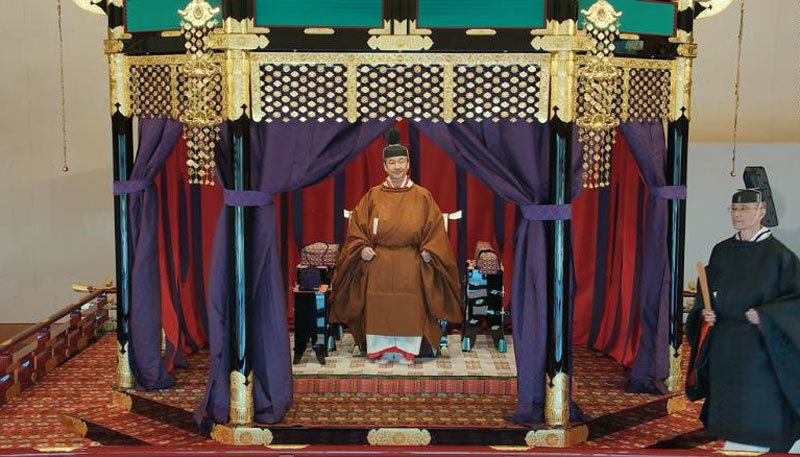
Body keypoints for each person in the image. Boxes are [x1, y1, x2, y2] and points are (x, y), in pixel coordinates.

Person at [330, 128, 462, 365]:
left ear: (408, 164)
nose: (397, 166)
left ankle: (409, 349)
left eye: (401, 161)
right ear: (384, 166)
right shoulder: (373, 196)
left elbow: (435, 231)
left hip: (411, 261)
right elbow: (357, 228)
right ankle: (378, 348)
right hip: (378, 261)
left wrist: (430, 251)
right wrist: (362, 248)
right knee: (376, 300)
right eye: (392, 162)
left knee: (411, 302)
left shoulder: (422, 196)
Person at [686, 188, 800, 453]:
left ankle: (761, 443)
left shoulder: (780, 256)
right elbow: (707, 292)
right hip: (724, 339)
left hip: (758, 343)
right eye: (734, 209)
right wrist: (704, 312)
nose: (737, 214)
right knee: (727, 400)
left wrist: (766, 314)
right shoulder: (721, 250)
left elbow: (796, 300)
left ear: (761, 212)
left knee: (757, 401)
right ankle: (732, 441)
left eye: (745, 209)